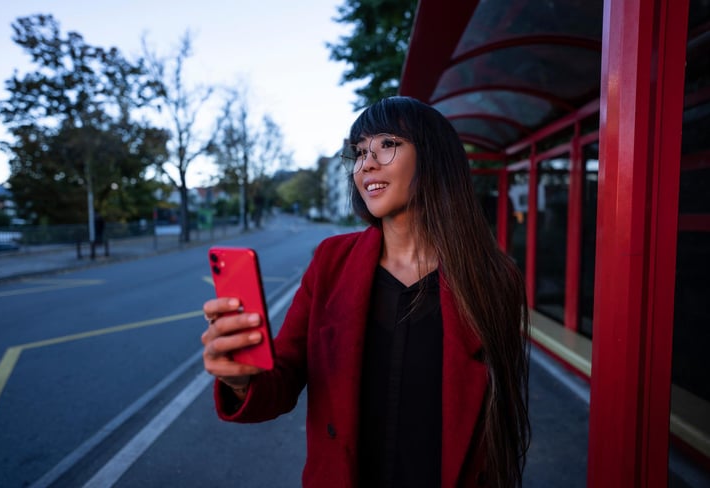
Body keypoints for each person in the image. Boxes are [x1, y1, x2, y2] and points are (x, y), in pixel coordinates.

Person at [201, 96, 530, 487]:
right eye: (359, 152)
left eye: (387, 144)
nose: (366, 163)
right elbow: (283, 379)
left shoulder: (493, 278)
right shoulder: (331, 262)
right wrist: (241, 379)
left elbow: (500, 418)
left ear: (434, 157)